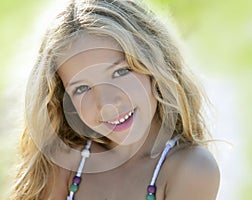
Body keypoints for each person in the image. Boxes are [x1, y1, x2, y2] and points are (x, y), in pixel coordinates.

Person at [11, 0, 220, 199]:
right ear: (62, 99)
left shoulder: (189, 169)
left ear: (155, 65)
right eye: (82, 88)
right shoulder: (65, 163)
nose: (107, 105)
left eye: (120, 72)